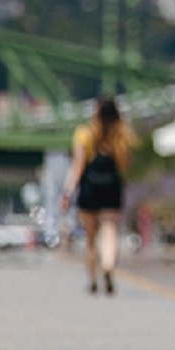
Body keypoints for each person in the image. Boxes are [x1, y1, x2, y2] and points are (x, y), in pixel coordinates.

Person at [61, 95, 136, 295]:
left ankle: (93, 280)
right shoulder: (122, 135)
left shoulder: (84, 134)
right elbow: (124, 166)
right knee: (110, 231)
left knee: (91, 237)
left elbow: (78, 167)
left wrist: (67, 191)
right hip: (111, 188)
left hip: (89, 188)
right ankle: (108, 265)